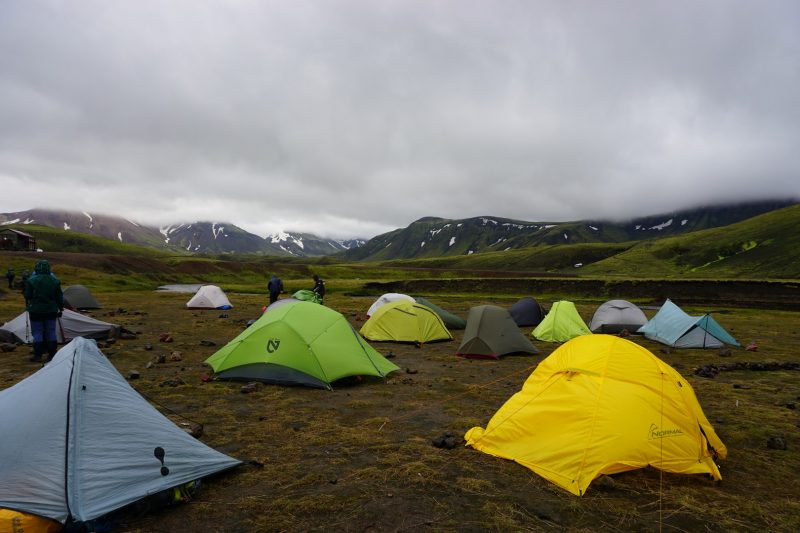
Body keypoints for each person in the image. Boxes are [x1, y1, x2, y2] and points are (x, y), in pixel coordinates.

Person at [23, 259, 63, 362]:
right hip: (51, 310)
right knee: (51, 331)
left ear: (37, 268)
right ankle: (52, 354)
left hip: (35, 311)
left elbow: (27, 295)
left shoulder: (31, 280)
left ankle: (37, 355)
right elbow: (59, 297)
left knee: (37, 332)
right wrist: (61, 308)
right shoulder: (55, 281)